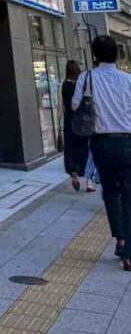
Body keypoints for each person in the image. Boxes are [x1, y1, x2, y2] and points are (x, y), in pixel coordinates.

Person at [73, 35, 131, 272]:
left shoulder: (86, 77)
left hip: (101, 142)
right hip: (128, 141)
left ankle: (120, 237)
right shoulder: (128, 79)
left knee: (110, 190)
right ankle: (128, 253)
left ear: (94, 55)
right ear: (117, 55)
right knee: (129, 193)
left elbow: (75, 106)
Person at [60, 59, 90, 191]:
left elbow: (60, 106)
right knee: (84, 147)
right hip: (82, 120)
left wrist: (59, 125)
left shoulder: (63, 85)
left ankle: (73, 174)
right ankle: (89, 181)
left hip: (68, 120)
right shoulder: (82, 84)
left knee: (70, 147)